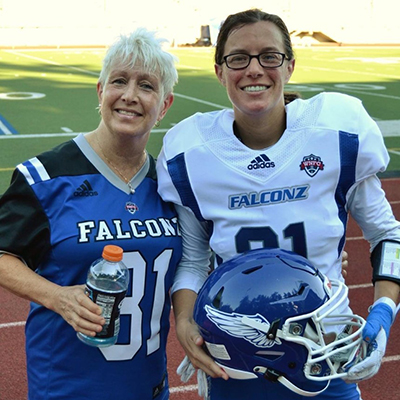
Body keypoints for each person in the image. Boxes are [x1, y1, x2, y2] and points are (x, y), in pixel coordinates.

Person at [156, 8, 400, 400]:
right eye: (238, 58)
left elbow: (388, 235)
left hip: (325, 348)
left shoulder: (335, 132)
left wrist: (383, 313)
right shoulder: (191, 152)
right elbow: (191, 259)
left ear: (289, 65)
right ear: (220, 72)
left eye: (269, 56)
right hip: (236, 355)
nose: (254, 69)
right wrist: (184, 318)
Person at [0, 28, 181, 400]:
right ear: (101, 92)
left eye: (146, 86)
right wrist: (56, 296)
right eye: (119, 81)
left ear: (164, 105)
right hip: (68, 388)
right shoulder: (47, 177)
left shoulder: (171, 185)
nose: (130, 96)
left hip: (149, 388)